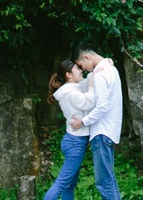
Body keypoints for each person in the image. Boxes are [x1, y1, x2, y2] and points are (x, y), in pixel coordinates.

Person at [69, 46, 123, 200]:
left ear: (86, 57)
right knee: (109, 179)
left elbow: (102, 107)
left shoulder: (101, 74)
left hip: (101, 131)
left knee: (104, 182)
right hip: (109, 131)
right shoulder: (110, 69)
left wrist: (82, 122)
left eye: (81, 65)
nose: (83, 69)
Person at [43, 59, 95, 200]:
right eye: (77, 69)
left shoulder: (72, 88)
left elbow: (88, 78)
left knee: (68, 185)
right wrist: (91, 87)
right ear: (68, 75)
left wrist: (104, 63)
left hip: (72, 141)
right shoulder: (70, 92)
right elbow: (88, 102)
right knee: (62, 183)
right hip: (75, 144)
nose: (81, 70)